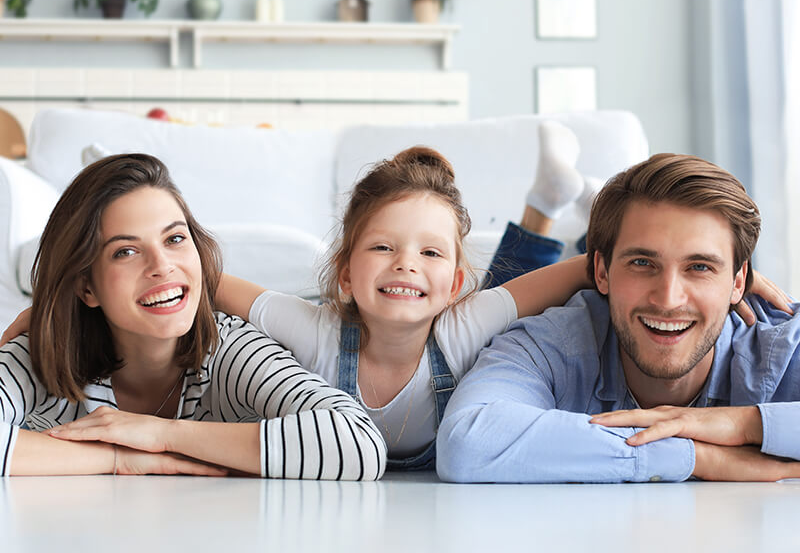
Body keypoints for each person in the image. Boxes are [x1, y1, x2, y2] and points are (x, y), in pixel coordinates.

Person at [210, 135, 786, 471]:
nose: (406, 265)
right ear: (342, 272)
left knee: (517, 280)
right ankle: (553, 208)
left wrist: (719, 277)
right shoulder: (313, 331)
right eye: (383, 247)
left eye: (430, 254)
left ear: (458, 283)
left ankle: (548, 204)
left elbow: (556, 279)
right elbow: (220, 285)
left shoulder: (462, 327)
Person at [0, 153, 385, 479]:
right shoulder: (39, 353)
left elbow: (358, 442)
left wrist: (163, 435)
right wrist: (120, 457)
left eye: (174, 239)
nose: (162, 266)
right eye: (125, 252)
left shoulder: (229, 347)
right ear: (86, 287)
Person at [436, 153, 800, 483]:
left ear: (738, 284)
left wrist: (745, 424)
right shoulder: (552, 342)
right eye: (642, 263)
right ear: (601, 272)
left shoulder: (783, 349)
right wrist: (687, 454)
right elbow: (466, 440)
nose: (668, 300)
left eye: (700, 267)